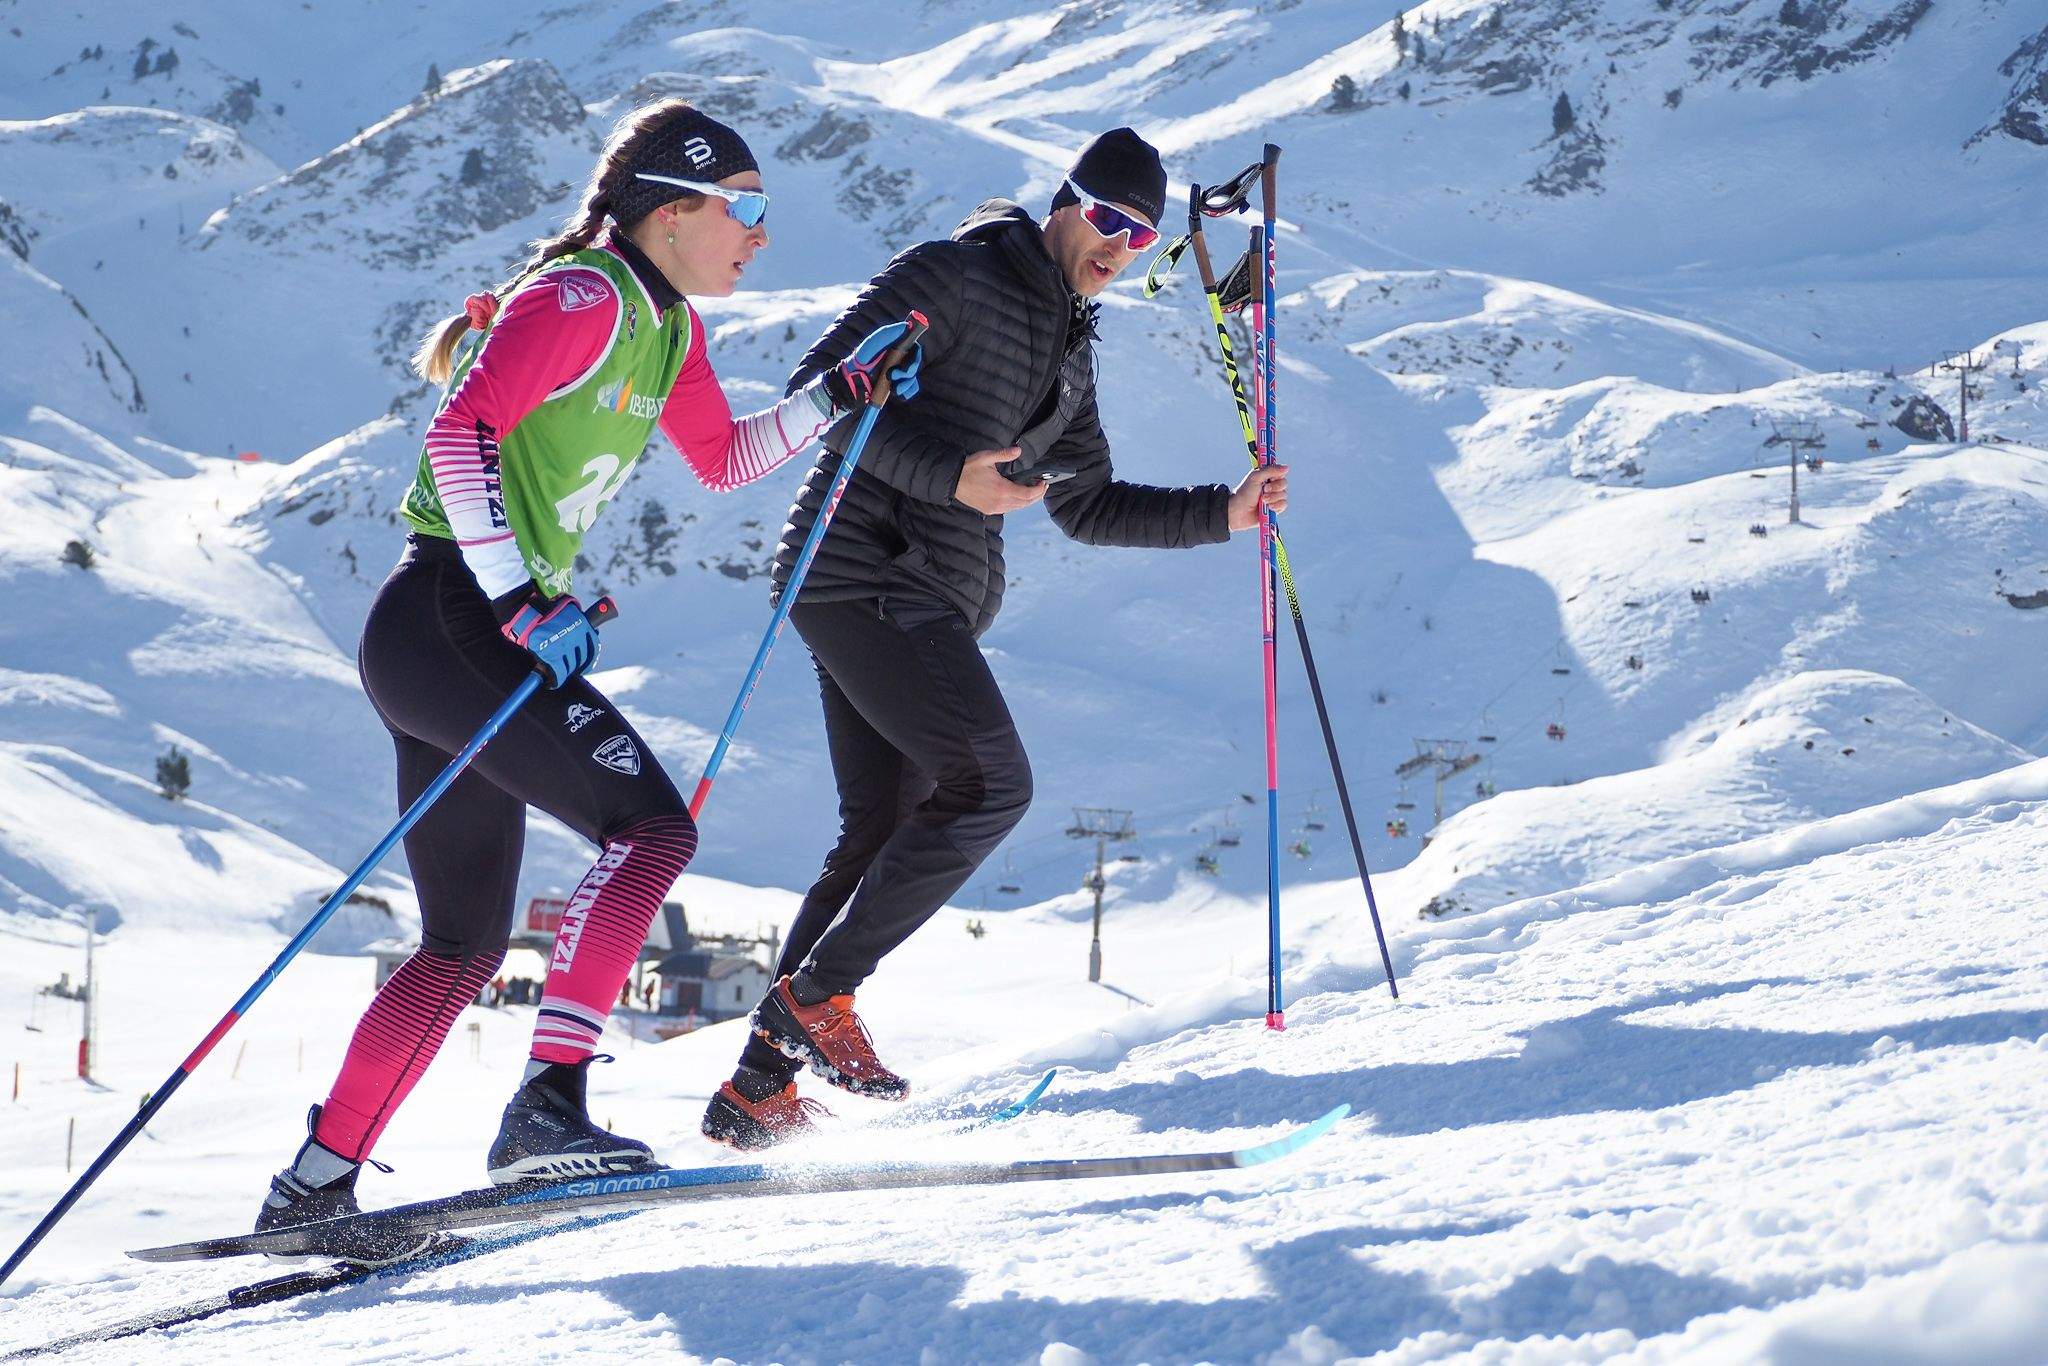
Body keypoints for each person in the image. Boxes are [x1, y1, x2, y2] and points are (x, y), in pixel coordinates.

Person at [254, 98, 921, 1256]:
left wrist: (833, 397)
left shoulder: (666, 331)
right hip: (456, 616)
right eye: (743, 209)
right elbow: (457, 436)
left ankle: (316, 1184)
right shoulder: (584, 298)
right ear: (669, 212)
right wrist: (518, 597)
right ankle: (547, 1111)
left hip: (442, 636)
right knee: (650, 833)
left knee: (461, 946)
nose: (759, 236)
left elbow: (722, 461)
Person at [701, 127, 1288, 1150]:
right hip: (866, 572)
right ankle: (817, 999)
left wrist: (1223, 512)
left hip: (920, 594)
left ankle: (756, 1091)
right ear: (1066, 202)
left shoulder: (1067, 342)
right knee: (989, 786)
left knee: (883, 828)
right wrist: (950, 477)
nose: (1120, 244)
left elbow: (1088, 503)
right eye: (1108, 218)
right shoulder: (953, 275)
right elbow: (817, 396)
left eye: (1142, 237)